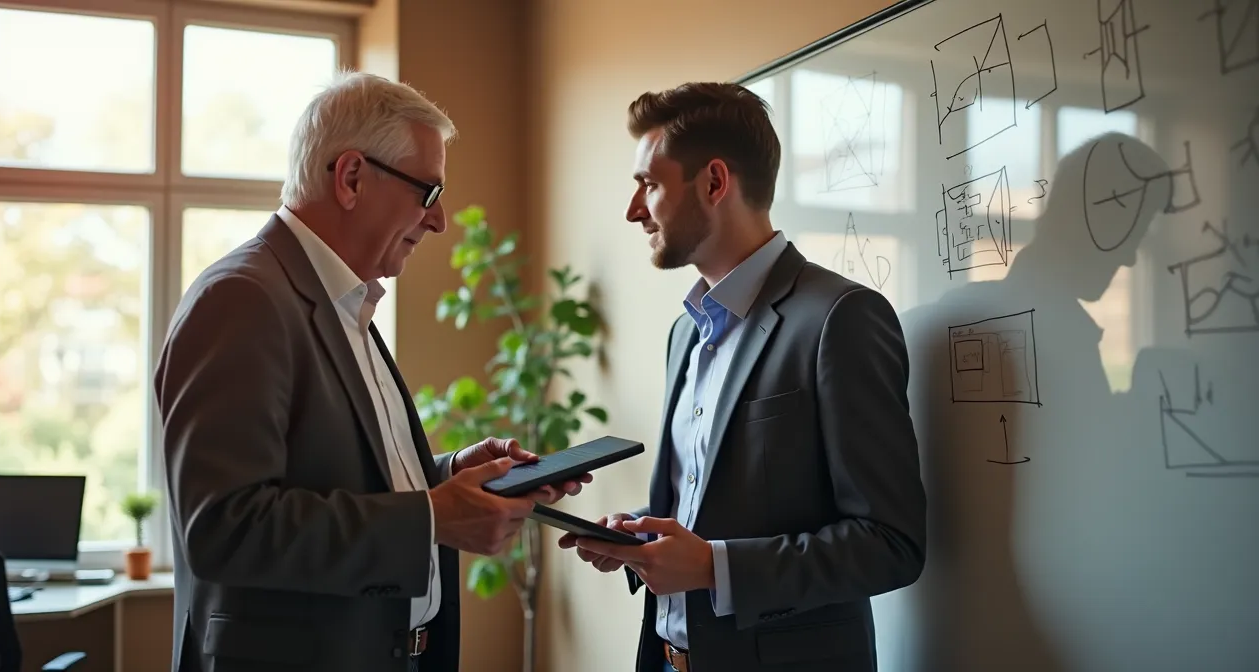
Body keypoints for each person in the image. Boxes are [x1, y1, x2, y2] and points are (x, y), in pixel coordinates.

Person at [154, 70, 587, 672]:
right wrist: (434, 516)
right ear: (352, 177)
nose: (439, 220)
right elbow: (225, 528)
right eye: (428, 193)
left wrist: (449, 477)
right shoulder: (241, 299)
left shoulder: (342, 302)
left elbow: (332, 475)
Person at [557, 82, 927, 672]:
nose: (633, 210)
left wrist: (712, 566)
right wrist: (644, 539)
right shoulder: (684, 333)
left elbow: (890, 545)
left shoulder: (841, 318)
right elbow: (718, 505)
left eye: (649, 184)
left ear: (714, 182)